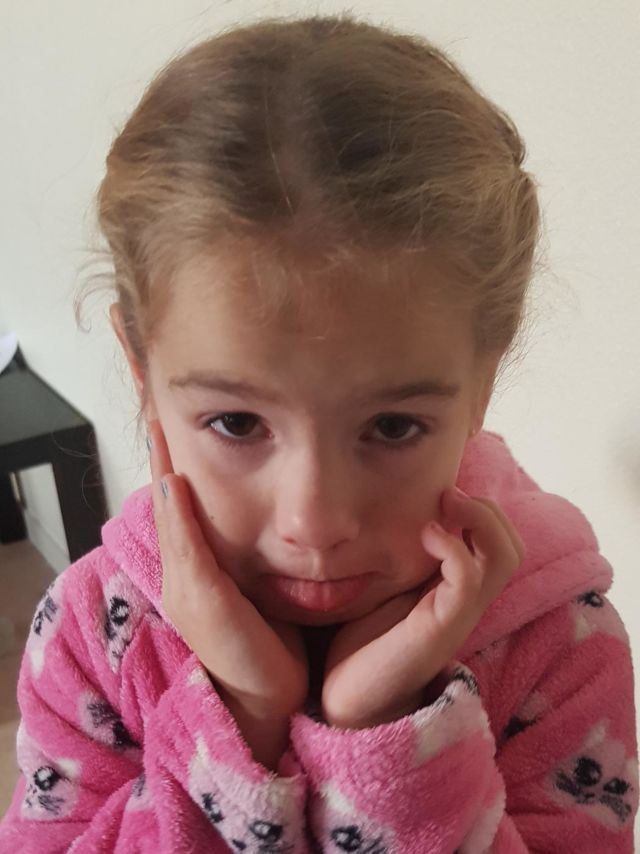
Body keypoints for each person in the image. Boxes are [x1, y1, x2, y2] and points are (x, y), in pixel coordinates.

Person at [1, 12, 637, 852]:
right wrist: (240, 714)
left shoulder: (560, 646)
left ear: (483, 379)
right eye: (237, 422)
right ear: (142, 370)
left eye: (392, 426)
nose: (316, 522)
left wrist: (385, 725)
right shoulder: (91, 635)